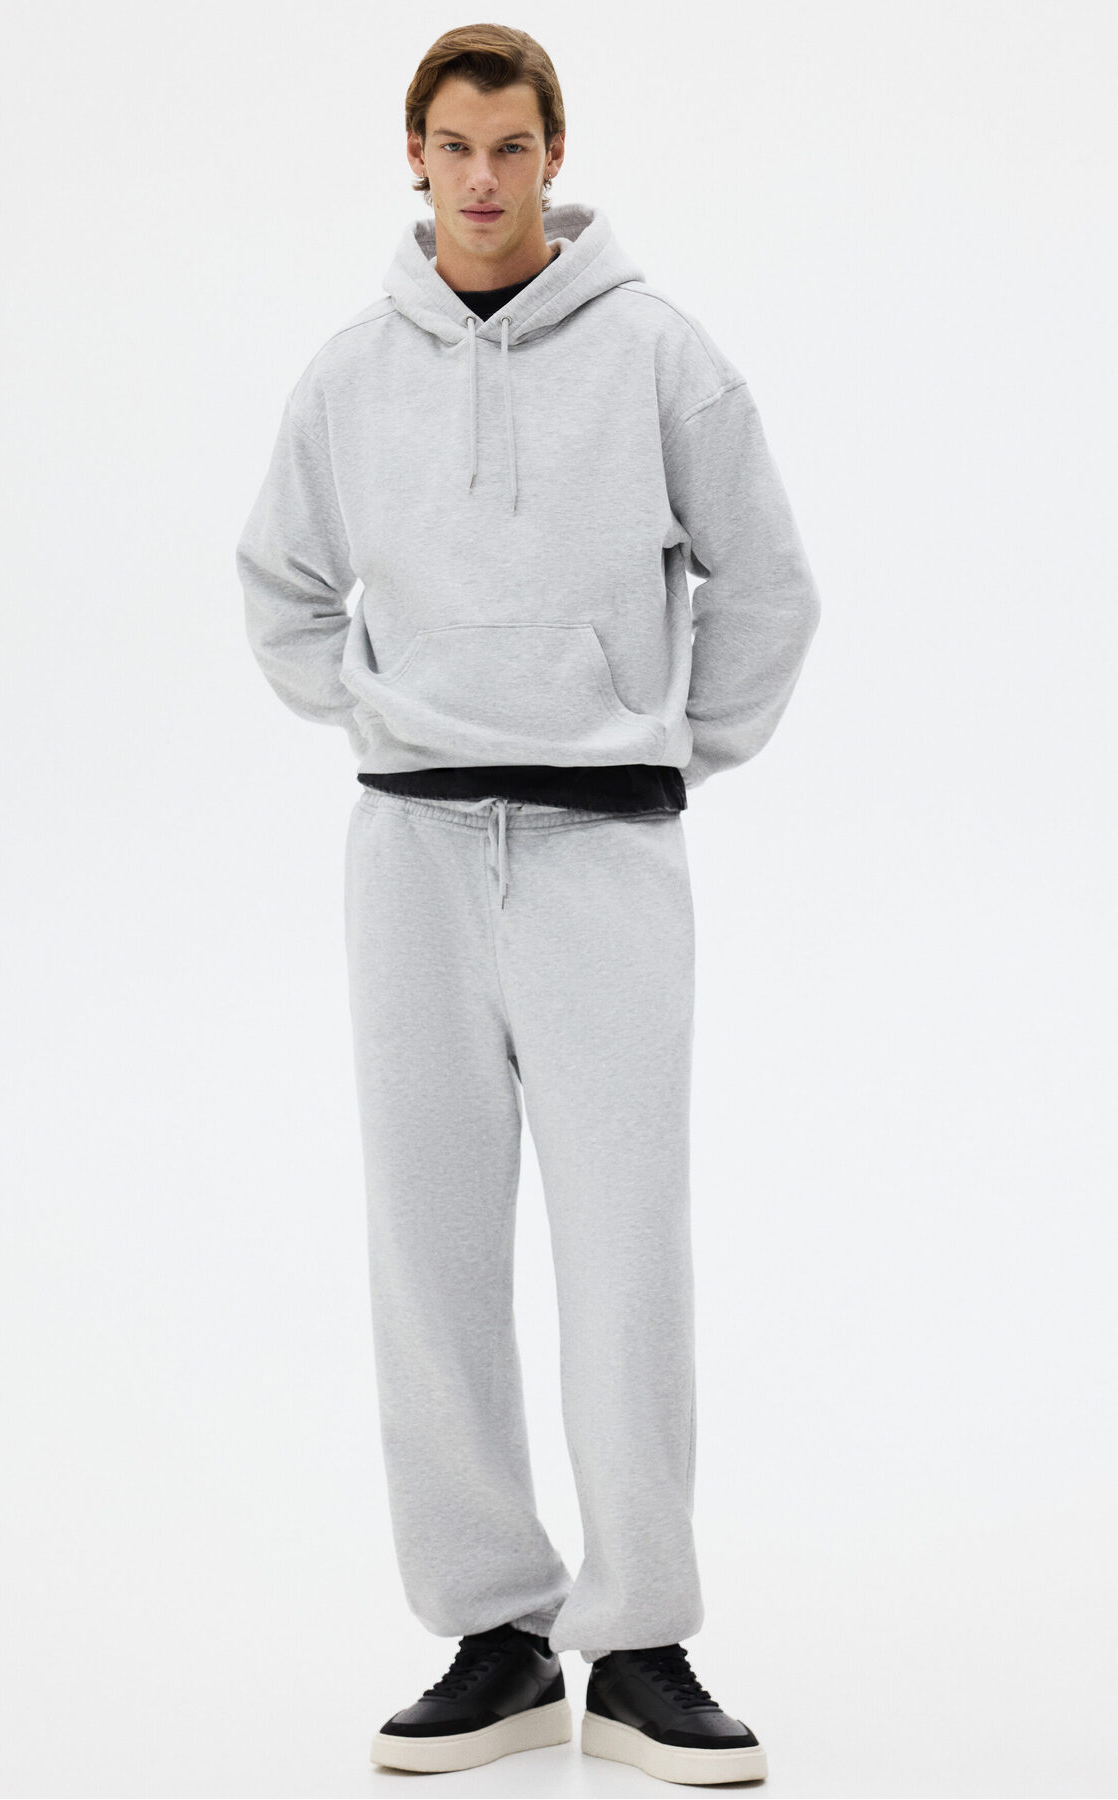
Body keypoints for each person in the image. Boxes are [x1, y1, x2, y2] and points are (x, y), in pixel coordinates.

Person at [235, 22, 820, 1788]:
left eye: (510, 145)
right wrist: (384, 710)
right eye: (452, 146)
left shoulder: (659, 356)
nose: (481, 178)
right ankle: (493, 1636)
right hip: (409, 855)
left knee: (625, 1248)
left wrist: (668, 744)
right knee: (429, 1249)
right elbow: (278, 585)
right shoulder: (352, 375)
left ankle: (638, 1646)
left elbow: (769, 584)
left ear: (555, 155)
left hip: (602, 857)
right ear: (413, 157)